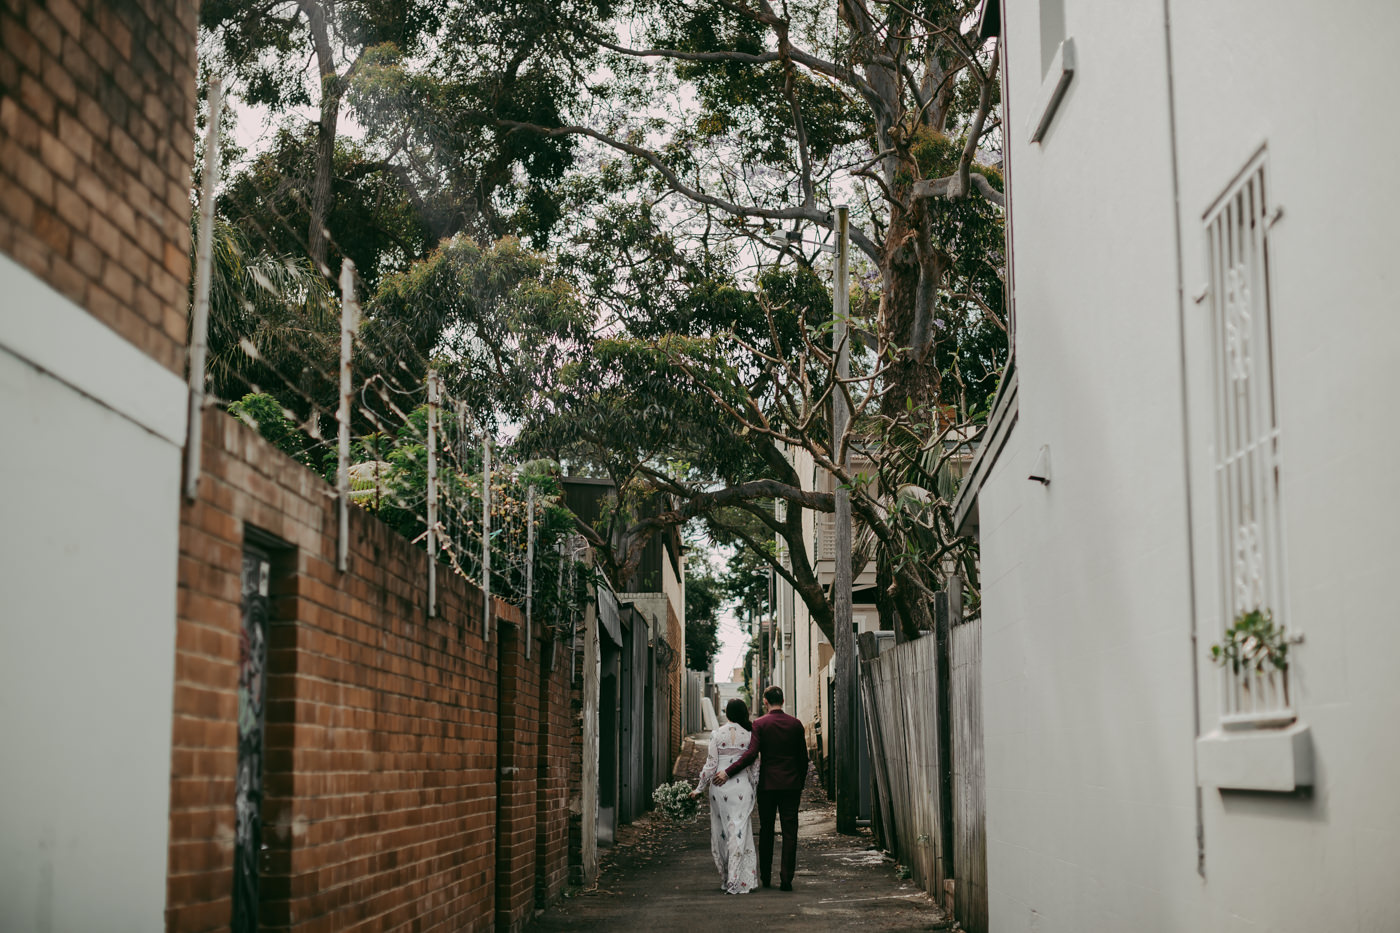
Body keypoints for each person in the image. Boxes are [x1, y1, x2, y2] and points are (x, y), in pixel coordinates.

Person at [713, 685, 807, 891]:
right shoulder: (796, 724)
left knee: (766, 830)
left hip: (768, 785)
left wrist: (728, 771)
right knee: (790, 831)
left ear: (765, 702)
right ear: (782, 701)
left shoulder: (760, 724)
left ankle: (766, 875)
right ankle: (786, 878)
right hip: (791, 785)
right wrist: (800, 781)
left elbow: (751, 754)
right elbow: (803, 759)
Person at [692, 698, 760, 894]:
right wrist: (755, 785)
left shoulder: (717, 734)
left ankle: (727, 878)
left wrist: (699, 788)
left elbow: (710, 766)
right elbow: (755, 766)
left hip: (719, 788)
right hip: (742, 788)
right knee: (739, 830)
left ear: (727, 713)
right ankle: (738, 879)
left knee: (722, 831)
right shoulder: (749, 735)